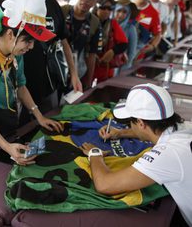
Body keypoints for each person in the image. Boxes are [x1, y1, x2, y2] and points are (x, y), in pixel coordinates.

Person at [0, 0, 63, 165]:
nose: (31, 47)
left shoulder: (15, 52)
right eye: (28, 41)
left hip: (8, 127)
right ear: (11, 34)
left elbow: (21, 86)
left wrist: (39, 116)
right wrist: (6, 146)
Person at [80, 83, 192, 226]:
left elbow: (104, 185)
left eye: (129, 122)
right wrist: (120, 132)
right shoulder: (185, 126)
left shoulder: (168, 154)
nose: (128, 125)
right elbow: (151, 132)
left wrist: (94, 153)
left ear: (140, 123)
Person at [20, 0, 82, 125]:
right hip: (17, 86)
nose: (30, 45)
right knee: (20, 131)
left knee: (49, 125)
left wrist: (74, 74)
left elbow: (64, 41)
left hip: (48, 84)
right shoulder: (8, 1)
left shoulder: (52, 4)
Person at [62, 0, 101, 89]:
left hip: (77, 71)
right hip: (54, 66)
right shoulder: (62, 11)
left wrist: (88, 83)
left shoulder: (94, 22)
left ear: (96, 1)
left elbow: (92, 54)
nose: (85, 0)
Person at [92, 0, 128, 82]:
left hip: (104, 68)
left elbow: (124, 44)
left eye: (109, 9)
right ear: (96, 7)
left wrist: (112, 51)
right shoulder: (88, 21)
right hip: (87, 66)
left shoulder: (112, 24)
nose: (106, 11)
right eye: (103, 8)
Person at [114, 0, 139, 71]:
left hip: (120, 68)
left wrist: (124, 70)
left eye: (124, 12)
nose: (121, 14)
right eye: (118, 11)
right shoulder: (107, 25)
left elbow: (131, 53)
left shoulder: (131, 29)